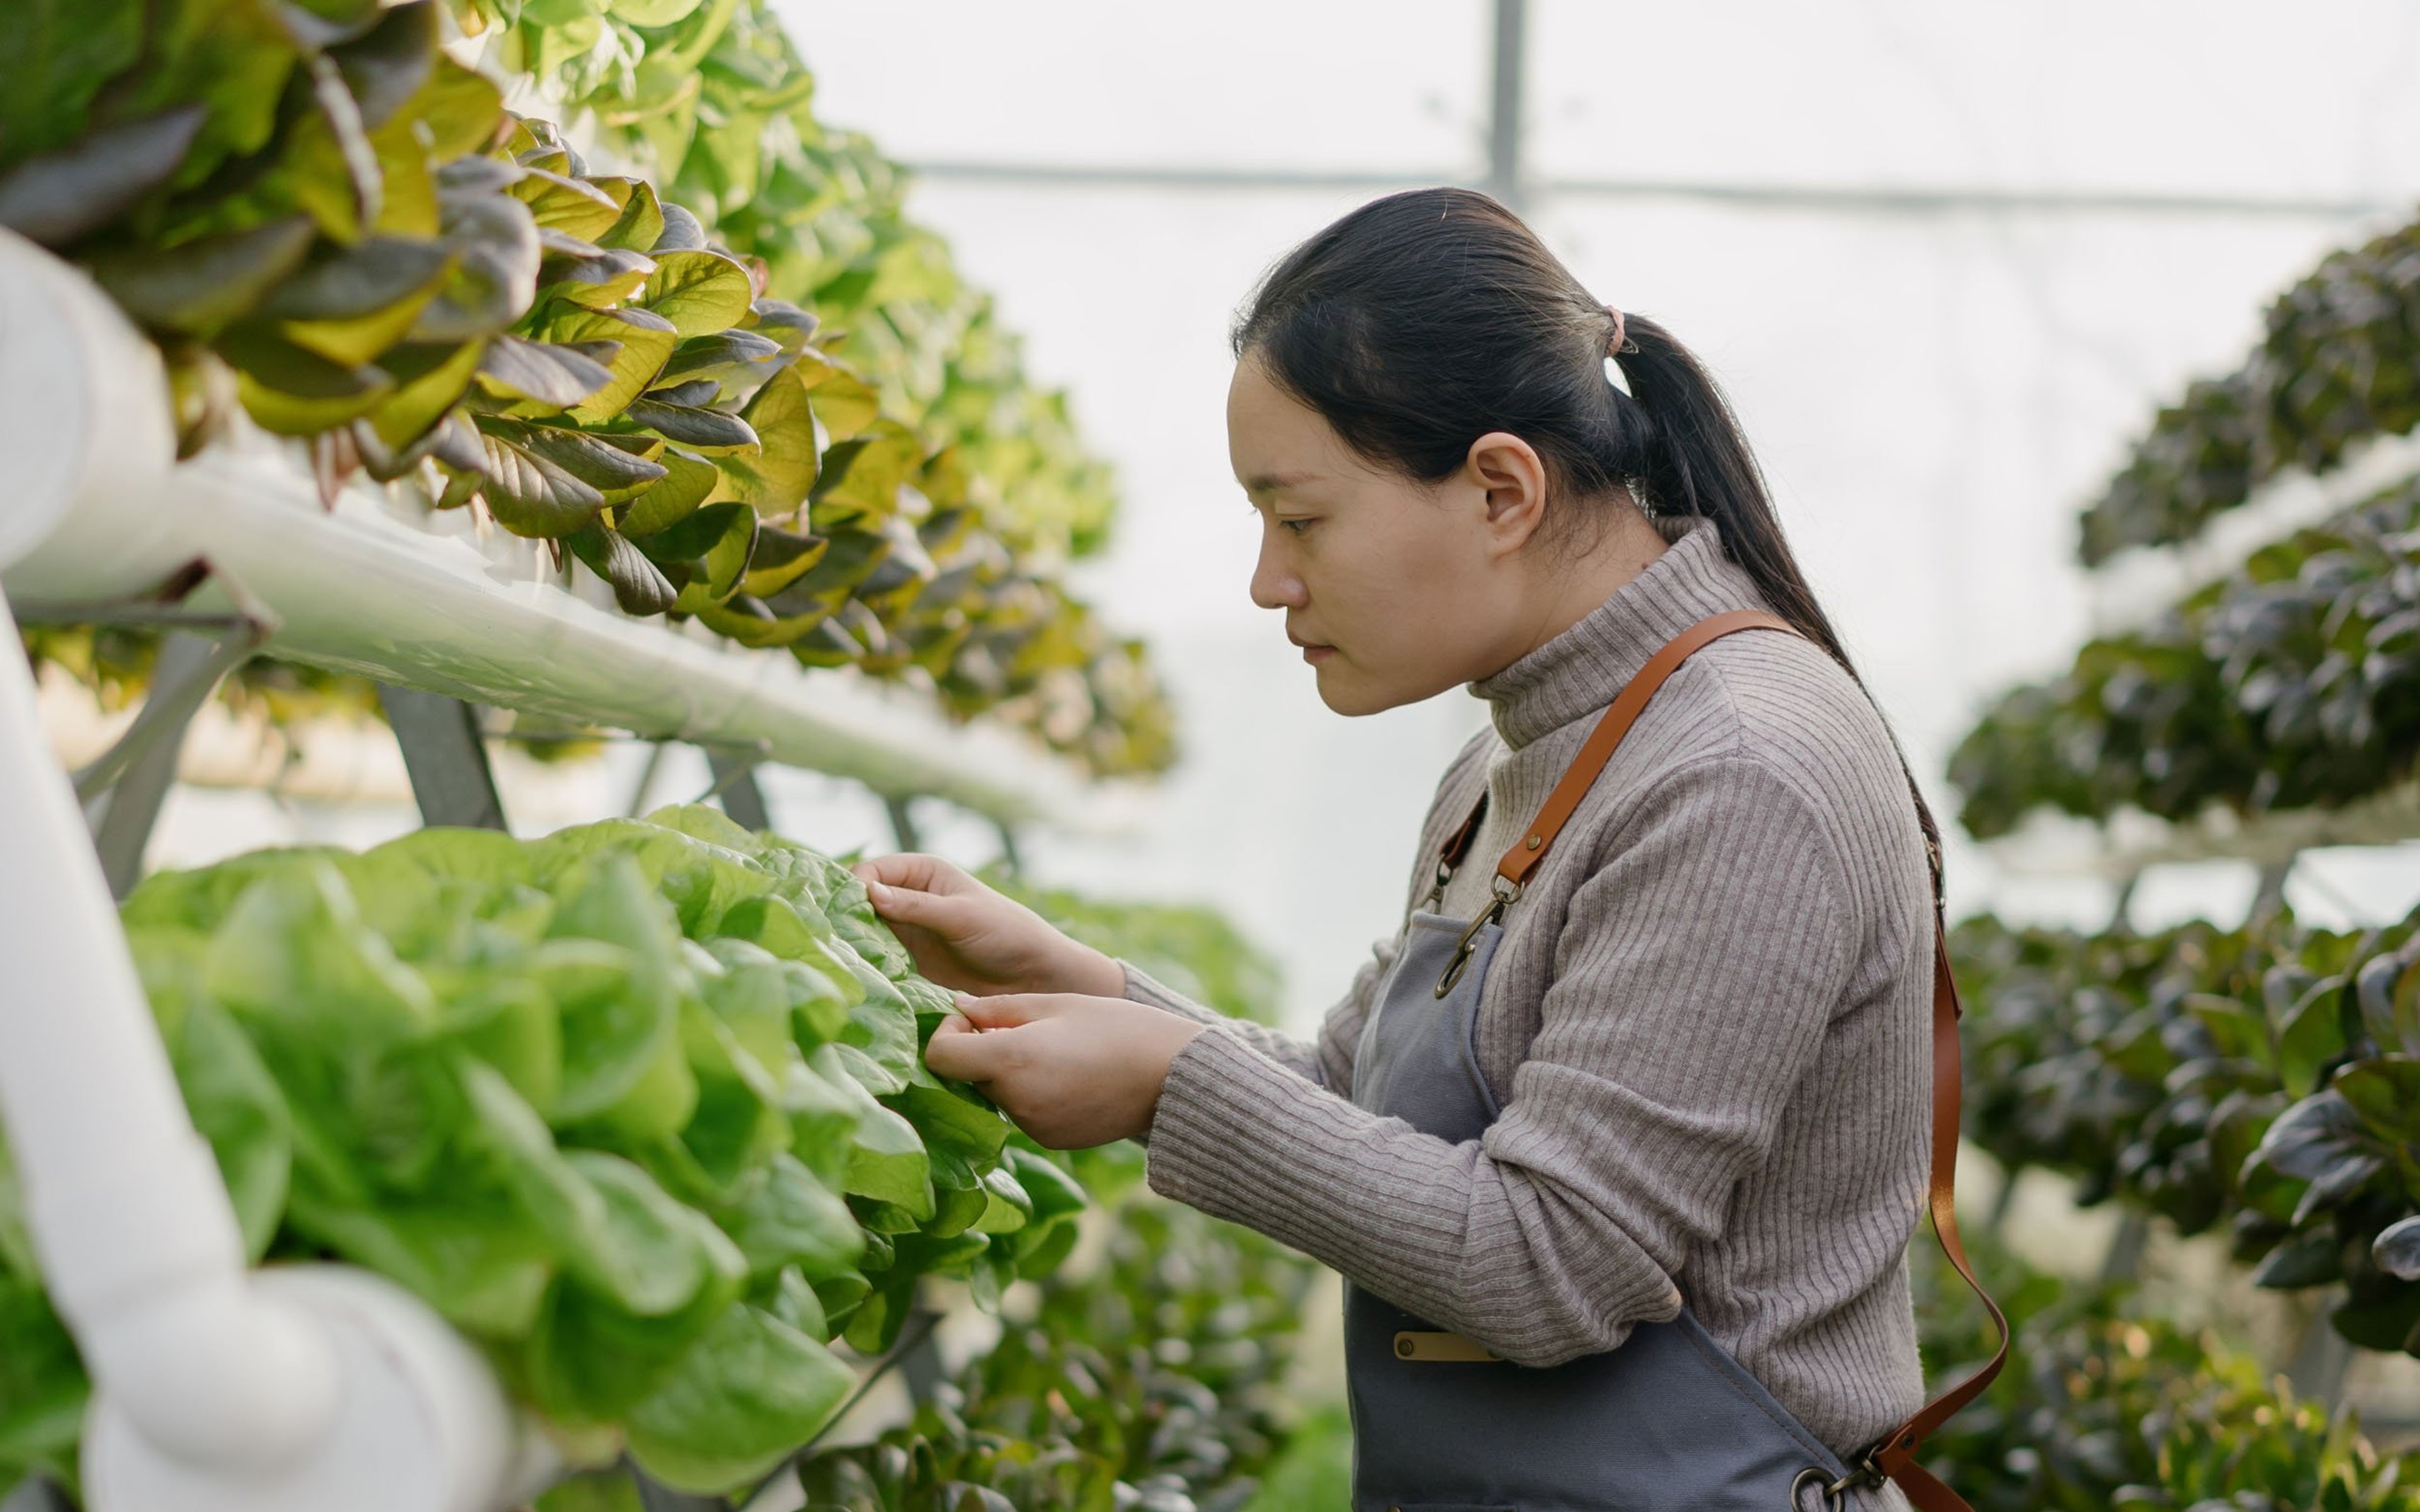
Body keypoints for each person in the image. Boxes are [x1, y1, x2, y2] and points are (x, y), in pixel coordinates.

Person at [851, 186, 1998, 1512]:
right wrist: (1084, 987)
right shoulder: (1511, 758)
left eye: (1302, 517)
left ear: (1502, 488)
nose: (1267, 580)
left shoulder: (1737, 768)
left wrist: (1167, 1084)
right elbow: (1353, 1100)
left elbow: (1553, 1261)